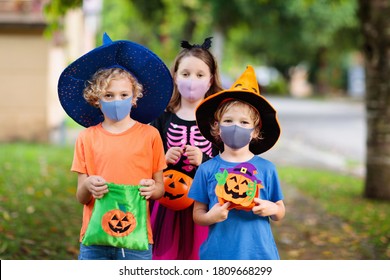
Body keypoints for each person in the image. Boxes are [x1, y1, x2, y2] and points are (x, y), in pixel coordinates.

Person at [57, 33, 173, 260]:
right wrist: (89, 185)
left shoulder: (150, 135)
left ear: (134, 97)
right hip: (95, 238)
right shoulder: (86, 138)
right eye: (108, 95)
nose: (116, 101)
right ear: (95, 99)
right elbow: (81, 197)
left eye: (123, 95)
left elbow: (160, 188)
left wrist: (153, 189)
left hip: (136, 238)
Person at [188, 65, 285, 260]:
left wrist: (272, 209)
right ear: (217, 127)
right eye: (229, 121)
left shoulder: (267, 169)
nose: (235, 127)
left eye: (244, 123)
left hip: (259, 255)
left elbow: (280, 209)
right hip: (217, 255)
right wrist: (210, 217)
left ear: (255, 131)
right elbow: (197, 213)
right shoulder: (207, 169)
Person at [150, 37, 223, 260]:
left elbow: (227, 163)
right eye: (186, 74)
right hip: (167, 201)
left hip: (203, 201)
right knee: (164, 255)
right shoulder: (163, 115)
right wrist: (164, 158)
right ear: (175, 76)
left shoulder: (217, 118)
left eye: (200, 75)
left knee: (198, 256)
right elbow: (150, 156)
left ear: (210, 80)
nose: (192, 80)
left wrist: (205, 158)